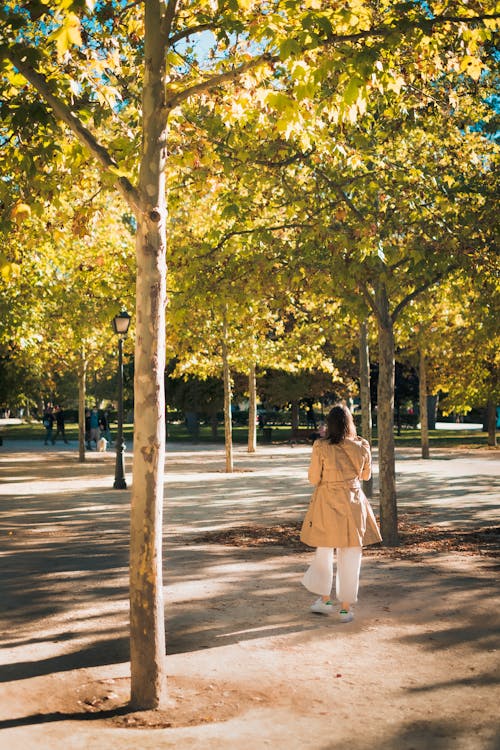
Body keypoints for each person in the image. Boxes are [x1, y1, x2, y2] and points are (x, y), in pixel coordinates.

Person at [300, 403, 382, 623]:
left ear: (330, 424)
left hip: (327, 501)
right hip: (353, 502)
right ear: (350, 423)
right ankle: (345, 608)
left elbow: (313, 478)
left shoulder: (321, 446)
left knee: (324, 550)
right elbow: (365, 476)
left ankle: (325, 600)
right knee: (351, 554)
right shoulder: (362, 445)